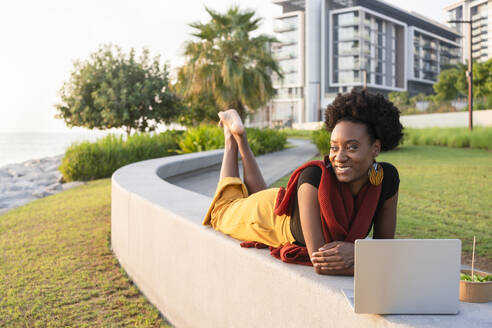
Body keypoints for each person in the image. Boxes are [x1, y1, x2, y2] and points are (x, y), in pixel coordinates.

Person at [202, 89, 404, 276]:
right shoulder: (313, 177)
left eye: (351, 148)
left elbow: (384, 246)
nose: (339, 157)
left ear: (375, 149)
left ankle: (241, 137)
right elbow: (321, 263)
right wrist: (365, 256)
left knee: (255, 195)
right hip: (263, 217)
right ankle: (231, 139)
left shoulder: (386, 179)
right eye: (334, 148)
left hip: (280, 205)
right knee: (222, 211)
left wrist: (366, 255)